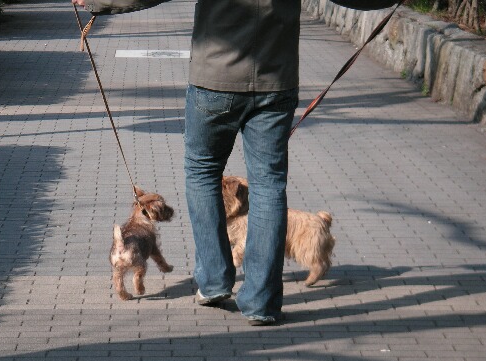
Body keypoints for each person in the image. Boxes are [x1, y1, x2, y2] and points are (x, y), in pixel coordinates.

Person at [74, 0, 398, 325]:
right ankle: (262, 301)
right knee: (269, 185)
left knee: (202, 172)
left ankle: (213, 282)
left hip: (215, 75)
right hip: (276, 79)